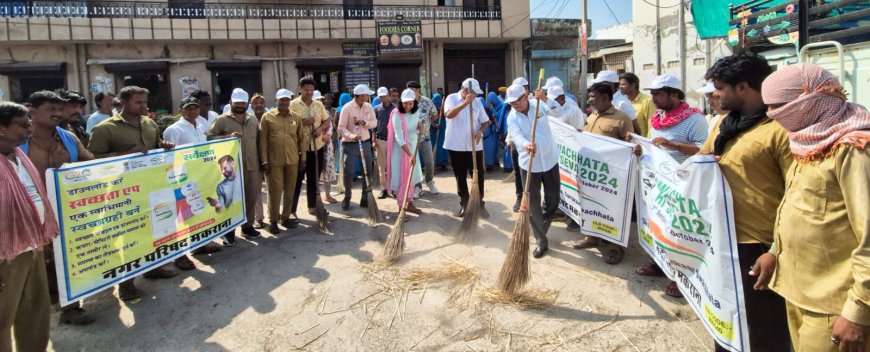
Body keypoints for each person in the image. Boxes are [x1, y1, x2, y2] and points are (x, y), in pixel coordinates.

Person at [656, 51, 791, 351]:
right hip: (718, 241)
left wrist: (775, 250)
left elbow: (794, 196)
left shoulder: (779, 131)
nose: (714, 94)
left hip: (757, 249)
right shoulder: (722, 125)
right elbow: (700, 163)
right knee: (725, 325)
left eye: (720, 87)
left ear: (743, 87)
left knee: (763, 331)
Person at [757, 63, 870, 352]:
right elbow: (800, 208)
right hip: (798, 290)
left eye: (779, 107)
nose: (773, 116)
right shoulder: (808, 140)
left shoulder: (854, 149)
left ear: (810, 101)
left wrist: (858, 312)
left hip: (835, 305)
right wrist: (774, 252)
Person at [88, 86, 178, 301]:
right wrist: (124, 154)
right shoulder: (105, 128)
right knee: (128, 237)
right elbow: (91, 162)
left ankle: (151, 267)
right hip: (122, 194)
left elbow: (155, 147)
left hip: (150, 188)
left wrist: (163, 147)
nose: (144, 106)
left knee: (151, 231)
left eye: (145, 102)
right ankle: (126, 283)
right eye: (139, 102)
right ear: (124, 103)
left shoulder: (149, 123)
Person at [19, 91, 96, 326]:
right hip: (29, 214)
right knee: (36, 264)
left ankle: (69, 307)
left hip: (66, 211)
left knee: (66, 257)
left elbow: (89, 161)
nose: (57, 113)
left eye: (59, 108)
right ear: (31, 110)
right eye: (51, 108)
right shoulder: (17, 141)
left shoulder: (69, 137)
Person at [0, 101, 60, 352]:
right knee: (3, 318)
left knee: (35, 311)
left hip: (32, 246)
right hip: (6, 256)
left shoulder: (19, 155)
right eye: (22, 125)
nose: (29, 129)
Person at [571, 83, 635, 264]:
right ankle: (592, 238)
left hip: (612, 177)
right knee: (591, 206)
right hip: (591, 175)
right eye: (590, 97)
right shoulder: (592, 115)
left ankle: (616, 247)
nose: (590, 100)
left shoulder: (622, 119)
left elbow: (629, 145)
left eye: (594, 97)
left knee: (613, 211)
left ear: (606, 98)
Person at [505, 84, 560, 258]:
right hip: (529, 163)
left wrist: (545, 98)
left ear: (526, 95)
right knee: (533, 203)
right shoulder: (512, 117)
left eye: (518, 101)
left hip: (550, 160)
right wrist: (525, 144)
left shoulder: (539, 105)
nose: (516, 105)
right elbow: (516, 135)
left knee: (553, 200)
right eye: (512, 103)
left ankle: (539, 228)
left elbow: (559, 112)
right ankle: (541, 241)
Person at [209, 88, 263, 244]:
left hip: (252, 166)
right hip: (231, 170)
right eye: (237, 103)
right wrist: (227, 137)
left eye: (243, 103)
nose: (240, 105)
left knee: (250, 198)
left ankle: (247, 227)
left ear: (247, 104)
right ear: (231, 102)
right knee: (230, 200)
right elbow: (209, 138)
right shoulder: (222, 120)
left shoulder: (253, 120)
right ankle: (229, 231)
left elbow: (259, 143)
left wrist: (262, 162)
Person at [259, 88, 306, 235]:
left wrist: (303, 158)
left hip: (292, 160)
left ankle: (285, 218)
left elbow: (301, 139)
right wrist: (264, 161)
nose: (285, 102)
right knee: (275, 192)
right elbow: (263, 142)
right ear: (276, 101)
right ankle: (273, 221)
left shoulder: (296, 117)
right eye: (282, 100)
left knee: (290, 190)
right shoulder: (267, 117)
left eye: (287, 99)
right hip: (274, 162)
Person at [443, 78, 491, 218]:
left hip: (475, 146)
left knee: (478, 175)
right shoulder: (451, 98)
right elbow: (449, 114)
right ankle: (465, 203)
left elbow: (485, 121)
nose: (476, 96)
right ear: (465, 90)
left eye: (476, 94)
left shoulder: (478, 102)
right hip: (456, 145)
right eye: (474, 93)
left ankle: (479, 203)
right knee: (460, 176)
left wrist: (480, 132)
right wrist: (465, 103)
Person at [289, 77, 331, 219]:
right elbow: (286, 123)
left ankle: (313, 206)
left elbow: (327, 120)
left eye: (311, 90)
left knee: (314, 179)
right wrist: (302, 122)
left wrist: (320, 129)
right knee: (296, 180)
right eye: (306, 89)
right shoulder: (292, 105)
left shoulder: (318, 105)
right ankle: (291, 210)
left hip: (316, 147)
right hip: (299, 149)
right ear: (299, 89)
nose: (309, 92)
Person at [644, 74, 708, 164]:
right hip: (660, 175)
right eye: (652, 95)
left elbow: (704, 149)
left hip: (685, 175)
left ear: (674, 95)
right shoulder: (657, 118)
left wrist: (674, 145)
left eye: (658, 94)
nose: (653, 100)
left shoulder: (695, 119)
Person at [337, 84, 378, 211]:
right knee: (348, 173)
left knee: (367, 171)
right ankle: (347, 197)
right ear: (360, 95)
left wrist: (365, 123)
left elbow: (374, 122)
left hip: (365, 143)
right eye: (366, 95)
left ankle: (365, 197)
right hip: (350, 144)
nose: (368, 97)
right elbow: (340, 128)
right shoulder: (347, 108)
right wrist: (352, 135)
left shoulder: (368, 106)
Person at [387, 89, 424, 215]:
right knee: (401, 176)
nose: (408, 106)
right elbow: (399, 137)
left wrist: (419, 126)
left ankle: (409, 203)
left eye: (410, 103)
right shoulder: (396, 114)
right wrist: (409, 154)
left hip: (413, 147)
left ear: (414, 103)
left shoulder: (416, 112)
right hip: (401, 150)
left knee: (412, 176)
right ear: (401, 102)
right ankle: (401, 207)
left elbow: (414, 124)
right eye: (405, 103)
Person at [407, 81, 439, 196]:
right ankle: (417, 186)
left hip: (425, 138)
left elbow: (435, 114)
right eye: (410, 90)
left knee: (430, 162)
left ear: (418, 90)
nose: (413, 93)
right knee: (414, 164)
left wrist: (429, 122)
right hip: (411, 139)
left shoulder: (427, 101)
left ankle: (429, 181)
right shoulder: (406, 103)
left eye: (415, 90)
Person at [374, 87, 397, 199]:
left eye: (384, 95)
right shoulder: (377, 109)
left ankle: (392, 188)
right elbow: (373, 126)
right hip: (380, 140)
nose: (383, 98)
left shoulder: (395, 109)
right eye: (381, 96)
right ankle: (384, 188)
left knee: (392, 165)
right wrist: (373, 140)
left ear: (388, 95)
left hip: (393, 140)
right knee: (381, 166)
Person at [249, 94, 268, 229]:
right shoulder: (248, 120)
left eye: (261, 102)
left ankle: (274, 215)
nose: (259, 105)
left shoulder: (270, 118)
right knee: (256, 191)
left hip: (269, 158)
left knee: (272, 189)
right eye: (256, 103)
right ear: (251, 105)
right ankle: (259, 218)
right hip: (253, 159)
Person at [316, 92, 338, 204]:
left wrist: (324, 136)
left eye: (320, 100)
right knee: (315, 172)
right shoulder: (310, 114)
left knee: (327, 172)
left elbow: (329, 130)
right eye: (317, 100)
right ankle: (316, 196)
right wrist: (321, 137)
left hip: (327, 147)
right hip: (314, 147)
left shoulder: (327, 113)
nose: (320, 102)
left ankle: (327, 194)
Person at [619, 72, 656, 137]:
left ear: (633, 85)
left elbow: (651, 127)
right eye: (620, 84)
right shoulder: (622, 102)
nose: (620, 87)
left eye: (623, 84)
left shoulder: (648, 101)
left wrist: (648, 145)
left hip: (642, 143)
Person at [430, 88, 450, 171]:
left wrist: (442, 112)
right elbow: (428, 121)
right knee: (435, 146)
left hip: (442, 132)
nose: (437, 102)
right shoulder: (430, 110)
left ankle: (442, 163)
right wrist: (434, 125)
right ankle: (435, 163)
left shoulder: (443, 109)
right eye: (435, 100)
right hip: (434, 133)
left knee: (442, 146)